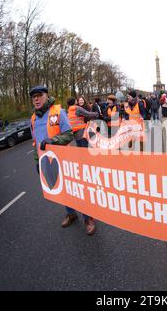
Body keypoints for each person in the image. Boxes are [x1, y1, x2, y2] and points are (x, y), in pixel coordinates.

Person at [30, 86, 96, 235]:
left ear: (46, 96)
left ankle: (88, 217)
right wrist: (37, 162)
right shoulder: (33, 118)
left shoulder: (58, 112)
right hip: (47, 162)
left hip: (65, 158)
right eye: (33, 97)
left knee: (76, 188)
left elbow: (69, 135)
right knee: (62, 189)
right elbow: (35, 142)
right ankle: (71, 213)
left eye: (39, 95)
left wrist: (53, 140)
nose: (36, 99)